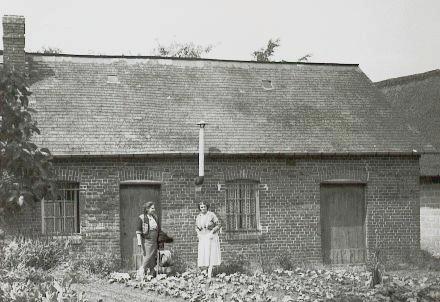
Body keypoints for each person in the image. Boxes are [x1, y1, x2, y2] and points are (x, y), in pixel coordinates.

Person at [195, 202, 221, 280]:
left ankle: (210, 271)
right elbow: (196, 226)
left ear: (207, 207)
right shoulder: (198, 216)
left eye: (204, 207)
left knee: (210, 254)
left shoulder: (211, 215)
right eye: (201, 207)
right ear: (200, 208)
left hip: (210, 236)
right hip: (202, 237)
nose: (203, 209)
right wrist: (198, 233)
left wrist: (212, 231)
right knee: (204, 253)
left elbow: (218, 224)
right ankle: (205, 271)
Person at [136, 201, 160, 277]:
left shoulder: (155, 217)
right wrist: (139, 242)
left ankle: (151, 273)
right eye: (152, 208)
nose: (154, 209)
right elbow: (138, 231)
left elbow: (158, 229)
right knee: (147, 256)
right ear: (147, 209)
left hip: (154, 240)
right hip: (147, 240)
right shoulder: (142, 217)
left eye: (154, 208)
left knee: (153, 257)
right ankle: (141, 272)